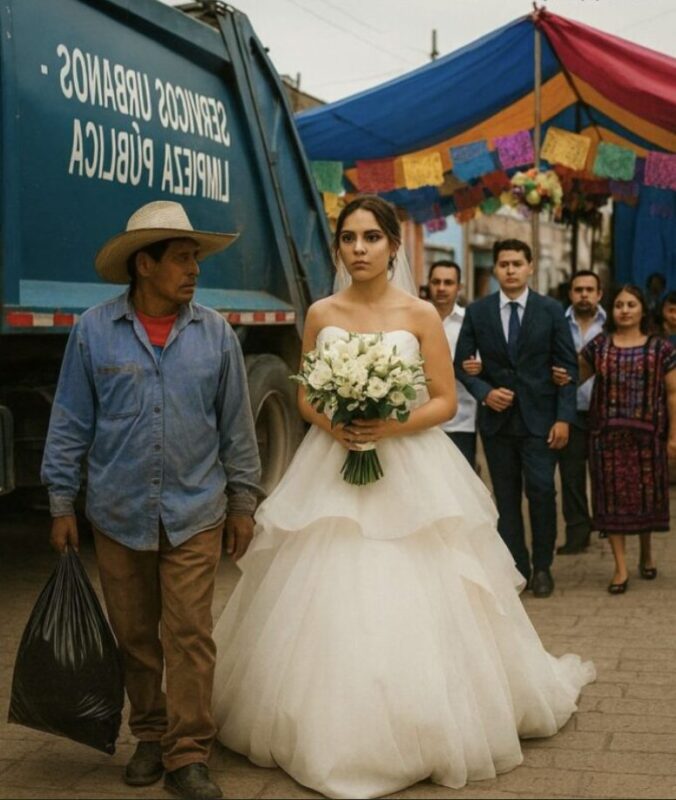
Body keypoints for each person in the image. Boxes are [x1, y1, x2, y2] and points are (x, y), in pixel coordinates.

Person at [211, 195, 594, 799]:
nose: (358, 249)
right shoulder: (320, 312)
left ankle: (431, 718)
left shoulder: (420, 315)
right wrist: (334, 421)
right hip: (333, 461)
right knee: (326, 577)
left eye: (370, 237)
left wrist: (389, 424)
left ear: (393, 246)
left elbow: (443, 399)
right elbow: (307, 395)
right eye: (347, 238)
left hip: (408, 461)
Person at [41, 200, 262, 800]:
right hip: (118, 511)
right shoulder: (93, 331)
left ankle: (188, 753)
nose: (195, 270)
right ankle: (148, 735)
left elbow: (237, 427)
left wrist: (243, 501)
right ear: (145, 264)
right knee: (135, 634)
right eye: (183, 258)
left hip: (196, 511)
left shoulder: (215, 334)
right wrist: (61, 503)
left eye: (196, 258)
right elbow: (70, 422)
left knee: (190, 633)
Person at [454, 239, 578, 598]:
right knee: (505, 499)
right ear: (495, 269)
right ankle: (517, 567)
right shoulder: (478, 312)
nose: (510, 269)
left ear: (529, 267)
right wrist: (484, 392)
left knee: (541, 491)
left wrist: (564, 418)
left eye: (516, 263)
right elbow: (462, 365)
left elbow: (567, 367)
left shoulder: (551, 310)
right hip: (497, 424)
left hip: (541, 421)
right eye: (503, 264)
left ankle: (543, 567)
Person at [575, 285, 676, 593]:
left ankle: (646, 551)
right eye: (619, 305)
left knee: (646, 499)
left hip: (648, 438)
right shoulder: (599, 347)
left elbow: (673, 393)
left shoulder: (661, 349)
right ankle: (620, 569)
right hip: (606, 439)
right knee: (612, 504)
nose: (625, 310)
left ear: (643, 310)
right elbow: (574, 376)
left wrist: (673, 435)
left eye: (631, 304)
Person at [553, 270, 606, 555]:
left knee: (604, 473)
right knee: (571, 476)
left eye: (589, 289)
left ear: (599, 294)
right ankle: (577, 532)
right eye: (578, 289)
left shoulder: (612, 326)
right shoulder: (557, 323)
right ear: (570, 293)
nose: (584, 294)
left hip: (604, 412)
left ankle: (608, 526)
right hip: (569, 411)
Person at [427, 259, 478, 467]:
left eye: (448, 283)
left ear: (459, 287)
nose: (441, 288)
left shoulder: (471, 321)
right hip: (421, 418)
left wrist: (478, 368)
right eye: (436, 282)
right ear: (428, 284)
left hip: (461, 419)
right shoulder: (415, 319)